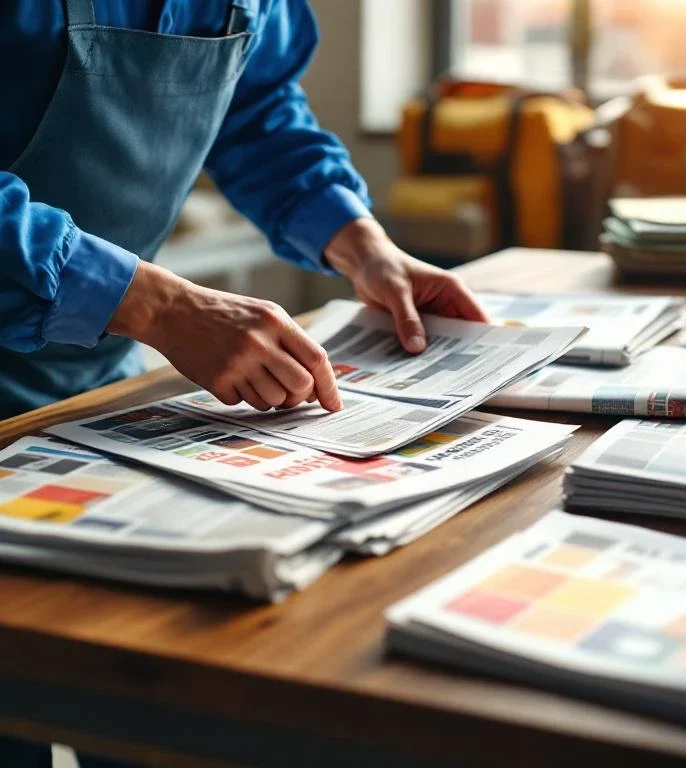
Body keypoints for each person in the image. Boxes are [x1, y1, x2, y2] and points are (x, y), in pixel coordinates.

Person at [0, 1, 489, 765]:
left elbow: (256, 109)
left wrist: (361, 243)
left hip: (88, 386)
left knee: (143, 688)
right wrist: (158, 304)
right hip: (103, 333)